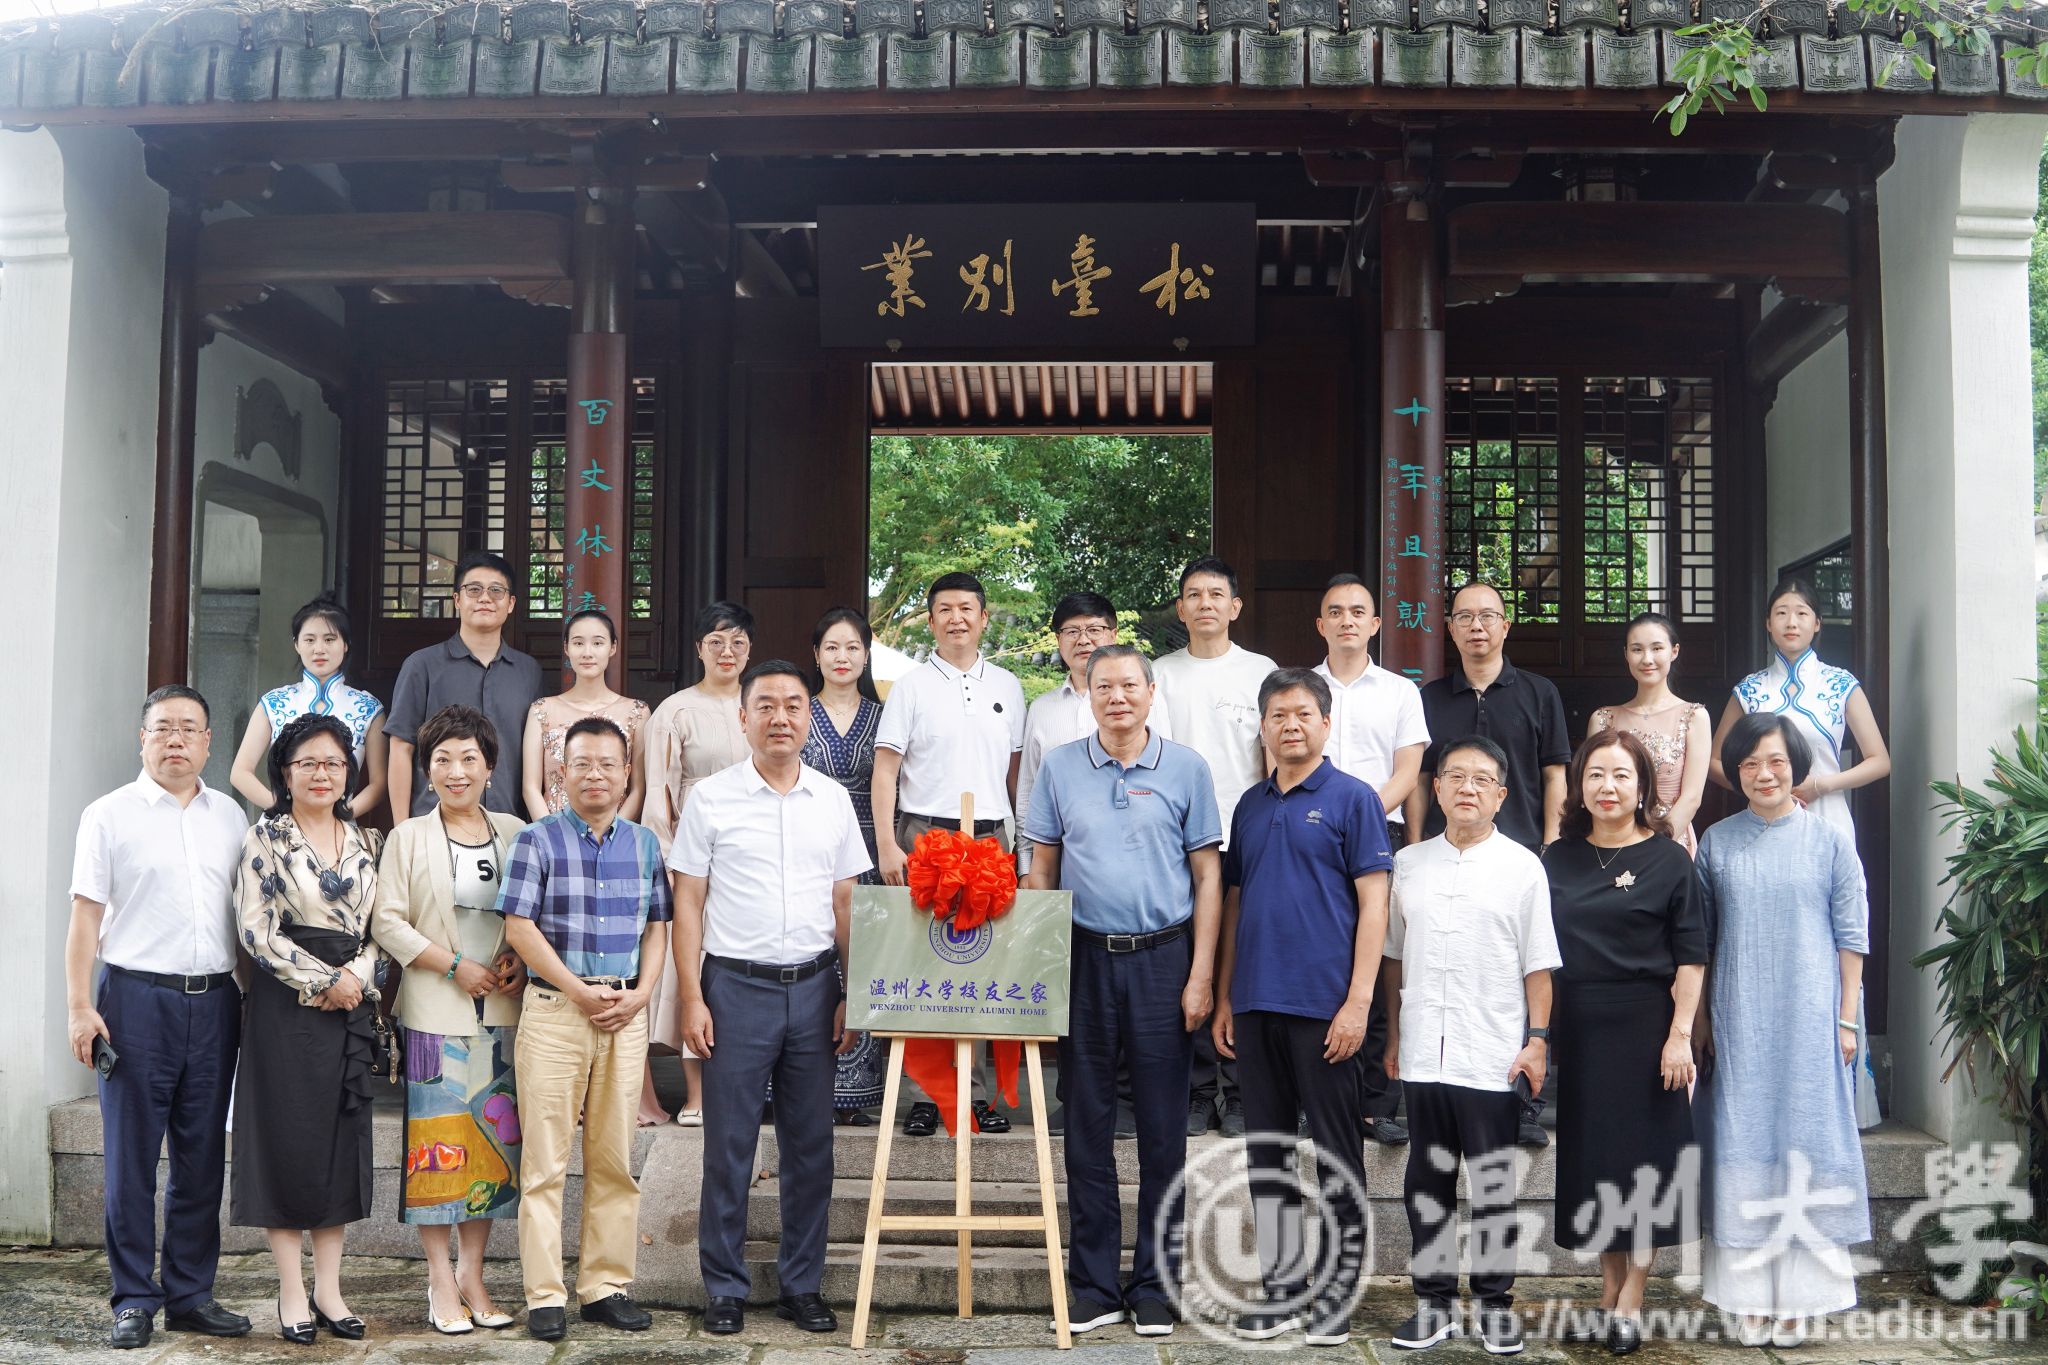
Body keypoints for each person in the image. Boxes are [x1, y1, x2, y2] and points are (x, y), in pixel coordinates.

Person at [1022, 644, 1223, 1338]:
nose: (1117, 697)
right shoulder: (1060, 767)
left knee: (1164, 1131)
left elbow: (1207, 876)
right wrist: (1043, 967)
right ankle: (1094, 1283)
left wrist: (1201, 973)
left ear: (1150, 692)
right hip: (1082, 958)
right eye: (1103, 686)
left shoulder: (1187, 768)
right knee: (1086, 1125)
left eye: (1129, 685)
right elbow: (1041, 869)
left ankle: (1156, 1285)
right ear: (1088, 694)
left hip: (1164, 959)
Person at [671, 661, 872, 1338]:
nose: (780, 717)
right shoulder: (712, 798)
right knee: (728, 1145)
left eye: (792, 704)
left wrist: (852, 991)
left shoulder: (832, 799)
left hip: (815, 989)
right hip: (735, 989)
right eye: (766, 705)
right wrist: (692, 996)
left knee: (811, 1146)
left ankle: (801, 1284)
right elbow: (689, 902)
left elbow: (846, 902)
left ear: (809, 716)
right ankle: (724, 1287)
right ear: (744, 717)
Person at [66, 685, 252, 1350]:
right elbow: (85, 918)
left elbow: (245, 918)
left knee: (202, 1157)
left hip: (216, 1001)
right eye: (163, 727)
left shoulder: (230, 816)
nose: (176, 739)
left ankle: (191, 1293)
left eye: (189, 728)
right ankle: (133, 1297)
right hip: (135, 1001)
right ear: (141, 738)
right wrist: (80, 1006)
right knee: (132, 1158)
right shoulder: (108, 815)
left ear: (208, 742)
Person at [1212, 668, 1391, 1348]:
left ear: (1325, 722)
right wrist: (1227, 994)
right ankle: (1282, 1291)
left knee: (1336, 1154)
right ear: (1262, 726)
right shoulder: (1250, 806)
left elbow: (1375, 902)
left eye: (1302, 713)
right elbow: (1234, 902)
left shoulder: (1353, 799)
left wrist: (1359, 1001)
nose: (1290, 724)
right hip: (1256, 1001)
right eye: (1278, 715)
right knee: (1269, 1154)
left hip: (1326, 1006)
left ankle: (1337, 1295)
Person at [1696, 713, 1871, 1348]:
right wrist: (1701, 1021)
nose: (1763, 774)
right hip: (1738, 1015)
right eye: (1748, 764)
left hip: (1810, 1017)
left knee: (1807, 1137)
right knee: (1741, 1140)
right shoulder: (1717, 842)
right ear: (1735, 773)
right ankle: (1746, 1298)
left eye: (1775, 761)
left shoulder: (1829, 841)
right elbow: (1701, 941)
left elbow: (1852, 936)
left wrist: (1846, 1019)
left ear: (1796, 765)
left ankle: (1801, 1299)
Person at [1382, 735, 1559, 1356]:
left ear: (1501, 795)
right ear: (1435, 788)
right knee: (1427, 1182)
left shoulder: (1523, 867)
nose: (1467, 788)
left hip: (1491, 1051)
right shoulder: (1409, 864)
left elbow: (1539, 964)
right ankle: (1432, 1303)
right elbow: (1394, 956)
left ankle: (1493, 1305)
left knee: (1491, 1185)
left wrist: (1537, 1041)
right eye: (1455, 776)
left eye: (1482, 779)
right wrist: (1394, 1036)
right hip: (1423, 1053)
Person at [497, 717, 670, 1342]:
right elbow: (519, 927)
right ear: (560, 774)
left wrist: (643, 995)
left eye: (608, 764)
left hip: (624, 1013)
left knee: (614, 1160)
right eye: (582, 764)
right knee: (545, 1162)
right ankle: (545, 1295)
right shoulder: (536, 840)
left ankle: (605, 1287)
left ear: (627, 774)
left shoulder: (645, 845)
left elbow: (658, 926)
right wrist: (577, 990)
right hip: (555, 1012)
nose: (595, 775)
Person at [1544, 731, 1706, 1356]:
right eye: (1595, 775)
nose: (1607, 787)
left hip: (1647, 1029)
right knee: (1598, 1167)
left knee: (1645, 1167)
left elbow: (1691, 956)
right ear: (1579, 786)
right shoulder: (1557, 858)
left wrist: (1679, 1036)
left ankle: (1631, 1299)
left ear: (1643, 787)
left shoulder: (1670, 860)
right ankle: (1608, 1293)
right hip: (1581, 1030)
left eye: (1620, 775)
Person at [369, 705, 529, 1336]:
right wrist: (454, 965)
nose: (456, 771)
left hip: (503, 1012)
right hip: (435, 1012)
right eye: (443, 760)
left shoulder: (516, 832)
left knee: (492, 1147)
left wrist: (518, 960)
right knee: (436, 1150)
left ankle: (473, 1273)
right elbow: (387, 921)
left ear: (490, 767)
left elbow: (533, 913)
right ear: (427, 770)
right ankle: (439, 1278)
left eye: (469, 759)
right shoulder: (408, 837)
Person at [1709, 576, 1890, 1127]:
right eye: (1782, 612)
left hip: (1825, 820)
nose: (1791, 621)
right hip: (1762, 826)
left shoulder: (1840, 685)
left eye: (1802, 612)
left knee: (1832, 943)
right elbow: (1715, 761)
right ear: (1767, 624)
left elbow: (1879, 759)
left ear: (1817, 624)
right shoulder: (1749, 689)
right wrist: (1763, 792)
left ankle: (1844, 1098)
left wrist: (1818, 787)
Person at [230, 715, 384, 1345]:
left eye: (334, 763)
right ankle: (292, 1289)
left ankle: (329, 1289)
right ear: (285, 773)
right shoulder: (265, 837)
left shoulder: (369, 840)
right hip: (287, 1006)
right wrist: (324, 980)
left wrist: (357, 978)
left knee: (339, 1145)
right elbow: (255, 930)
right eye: (308, 764)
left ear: (349, 772)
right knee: (287, 1140)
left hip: (350, 1004)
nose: (322, 774)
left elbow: (382, 928)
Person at [1409, 581, 1571, 1149]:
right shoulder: (1429, 698)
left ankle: (1525, 1099)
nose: (1476, 627)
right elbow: (1420, 780)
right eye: (1464, 617)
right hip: (1444, 854)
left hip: (1520, 855)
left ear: (1506, 626)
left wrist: (1550, 845)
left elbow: (1554, 773)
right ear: (1449, 628)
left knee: (1525, 969)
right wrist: (1415, 842)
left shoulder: (1539, 693)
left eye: (1488, 616)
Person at [874, 571, 1026, 1136]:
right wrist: (887, 843)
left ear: (984, 617)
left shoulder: (1008, 685)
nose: (956, 618)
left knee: (982, 965)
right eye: (944, 609)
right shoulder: (911, 686)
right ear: (931, 620)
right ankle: (925, 1095)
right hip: (925, 834)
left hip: (991, 838)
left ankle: (975, 1094)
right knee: (924, 962)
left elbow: (1016, 775)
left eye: (966, 608)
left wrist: (1022, 846)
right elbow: (886, 770)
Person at [1151, 556, 1274, 1139]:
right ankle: (1198, 1090)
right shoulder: (1160, 674)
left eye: (1216, 594)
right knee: (1188, 964)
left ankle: (1244, 1090)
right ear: (1181, 608)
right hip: (1179, 840)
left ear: (1235, 607)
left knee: (1244, 960)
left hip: (1246, 833)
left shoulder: (1260, 671)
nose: (1205, 604)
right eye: (1194, 595)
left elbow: (1272, 757)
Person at [1312, 572, 1429, 1146]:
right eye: (1336, 612)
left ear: (1376, 624)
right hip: (1310, 832)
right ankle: (1317, 1100)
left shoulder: (1400, 692)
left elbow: (1408, 772)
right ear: (1321, 624)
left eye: (1358, 611)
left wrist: (1357, 816)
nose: (1347, 620)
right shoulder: (1300, 687)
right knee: (1319, 956)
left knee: (1382, 958)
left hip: (1379, 830)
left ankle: (1376, 1103)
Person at [642, 600, 754, 1127]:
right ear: (699, 649)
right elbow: (659, 792)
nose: (727, 651)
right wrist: (669, 862)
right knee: (694, 968)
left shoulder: (760, 704)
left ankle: (744, 1089)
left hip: (751, 858)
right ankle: (695, 1094)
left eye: (737, 642)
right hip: (693, 858)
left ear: (749, 650)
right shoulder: (676, 711)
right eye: (716, 642)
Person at [799, 607, 888, 1125]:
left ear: (866, 655)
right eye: (831, 647)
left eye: (852, 647)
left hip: (869, 851)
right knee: (812, 959)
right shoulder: (798, 710)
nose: (842, 656)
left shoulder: (886, 716)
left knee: (863, 959)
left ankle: (855, 1093)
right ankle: (802, 1087)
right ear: (816, 655)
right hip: (808, 849)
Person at [385, 550, 545, 821]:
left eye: (496, 590)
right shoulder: (422, 665)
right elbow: (401, 747)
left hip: (508, 824)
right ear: (457, 600)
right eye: (474, 589)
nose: (485, 598)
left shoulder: (529, 672)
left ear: (511, 603)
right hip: (434, 824)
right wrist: (402, 829)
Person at [230, 592, 388, 818]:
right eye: (310, 640)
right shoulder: (273, 702)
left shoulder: (369, 708)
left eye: (329, 639)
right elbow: (240, 772)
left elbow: (380, 783)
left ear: (345, 644)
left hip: (340, 829)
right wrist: (283, 810)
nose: (319, 649)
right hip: (282, 825)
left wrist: (342, 816)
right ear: (296, 644)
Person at [1588, 612, 1710, 855]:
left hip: (1670, 845)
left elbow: (1692, 797)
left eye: (1656, 648)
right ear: (1626, 654)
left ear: (1674, 651)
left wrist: (1652, 852)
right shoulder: (1602, 719)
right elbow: (1593, 788)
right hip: (1611, 843)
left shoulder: (1694, 716)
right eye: (1637, 649)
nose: (1647, 659)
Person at [522, 608, 650, 821]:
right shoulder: (541, 710)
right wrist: (551, 834)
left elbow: (638, 789)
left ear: (613, 647)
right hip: (554, 832)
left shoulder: (636, 712)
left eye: (598, 643)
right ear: (566, 648)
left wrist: (612, 836)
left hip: (616, 836)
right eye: (578, 643)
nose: (587, 653)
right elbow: (530, 787)